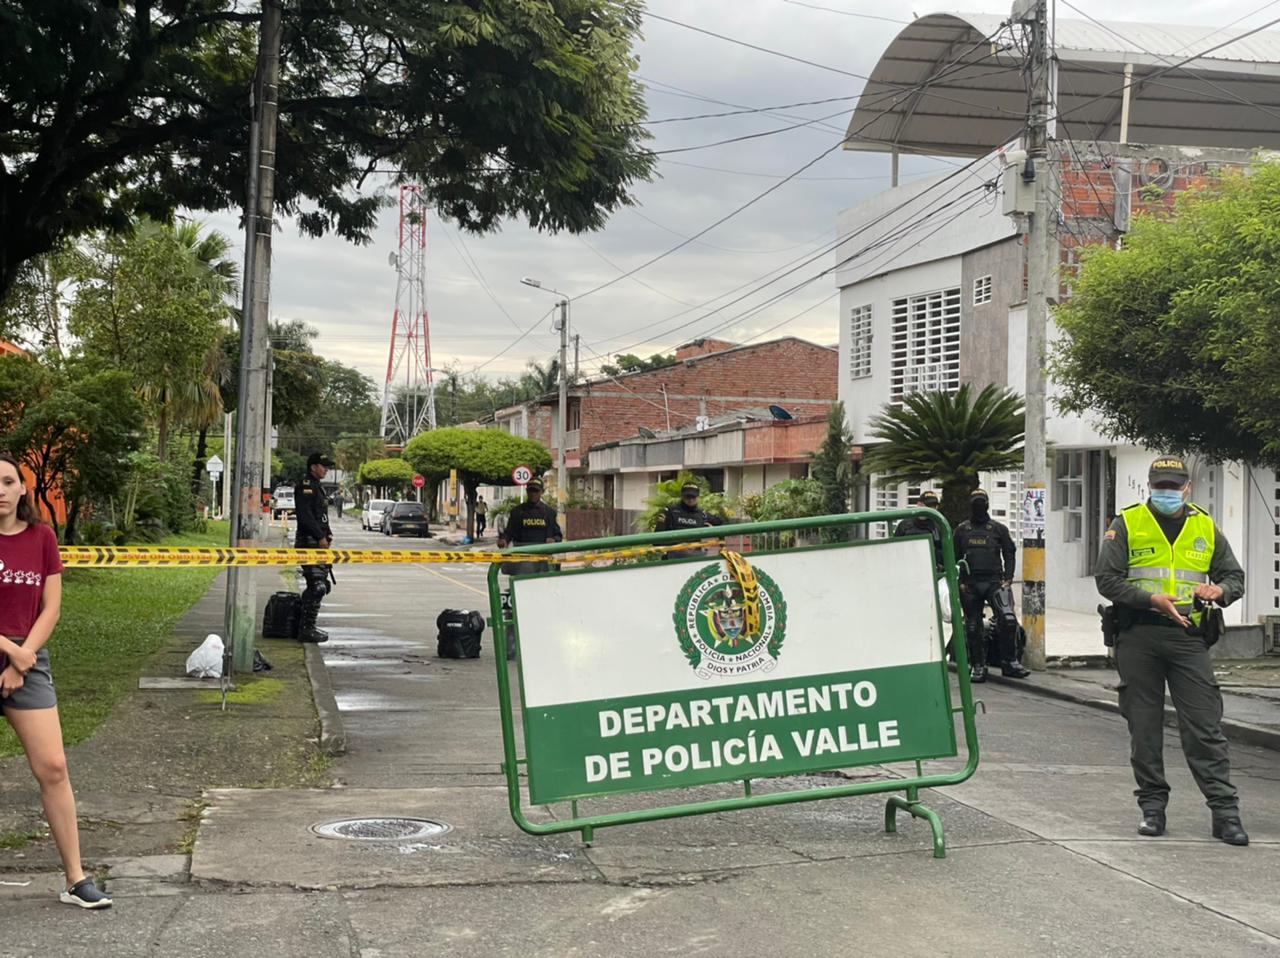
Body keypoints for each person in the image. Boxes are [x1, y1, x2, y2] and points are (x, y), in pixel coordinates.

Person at [1095, 456, 1248, 846]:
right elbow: (1107, 580)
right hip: (1139, 636)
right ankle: (1152, 809)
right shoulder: (1126, 523)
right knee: (1144, 728)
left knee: (1205, 727)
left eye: (1173, 486)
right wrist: (1149, 600)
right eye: (1160, 485)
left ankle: (1225, 814)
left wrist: (1220, 591)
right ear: (1150, 486)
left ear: (1187, 488)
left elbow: (1234, 576)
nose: (1166, 492)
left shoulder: (1204, 526)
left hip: (1188, 638)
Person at [0, 453, 112, 909]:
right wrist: (12, 651)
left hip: (28, 662)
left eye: (8, 481)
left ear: (23, 489)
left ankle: (75, 878)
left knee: (54, 768)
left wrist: (23, 661)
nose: (0, 490)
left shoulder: (42, 537)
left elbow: (51, 608)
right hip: (16, 653)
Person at [954, 488, 1029, 682]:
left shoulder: (997, 529)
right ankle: (978, 665)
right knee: (972, 626)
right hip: (970, 584)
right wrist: (959, 582)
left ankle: (1010, 662)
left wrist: (1008, 579)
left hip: (994, 582)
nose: (979, 506)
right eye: (975, 503)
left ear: (987, 504)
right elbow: (953, 556)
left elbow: (1009, 552)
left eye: (982, 502)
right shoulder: (962, 530)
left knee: (1008, 619)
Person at [294, 452, 334, 644]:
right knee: (317, 586)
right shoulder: (306, 486)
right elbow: (305, 516)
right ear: (313, 467)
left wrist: (328, 534)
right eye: (323, 466)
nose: (326, 469)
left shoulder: (318, 487)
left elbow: (321, 516)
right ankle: (306, 629)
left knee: (321, 585)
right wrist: (319, 536)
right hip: (308, 542)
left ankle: (304, 624)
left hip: (319, 542)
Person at [498, 479, 563, 575]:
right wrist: (504, 540)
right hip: (521, 559)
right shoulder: (517, 512)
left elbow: (558, 535)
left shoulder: (549, 512)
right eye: (531, 491)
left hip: (542, 559)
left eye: (536, 491)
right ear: (527, 491)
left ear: (542, 492)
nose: (533, 494)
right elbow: (509, 532)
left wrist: (553, 540)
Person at [893, 490, 946, 570]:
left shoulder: (940, 527)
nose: (930, 509)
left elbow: (946, 555)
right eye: (927, 505)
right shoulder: (904, 525)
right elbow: (895, 550)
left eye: (933, 506)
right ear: (918, 504)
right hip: (907, 568)